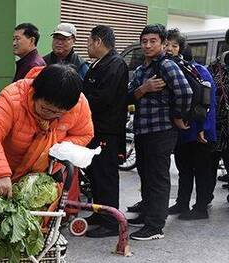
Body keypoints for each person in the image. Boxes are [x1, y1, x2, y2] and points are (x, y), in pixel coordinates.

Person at [0, 64, 94, 198]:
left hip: (44, 178)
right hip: (5, 171)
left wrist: (55, 149)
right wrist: (1, 173)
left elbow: (85, 134)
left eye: (58, 113)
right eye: (45, 109)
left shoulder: (78, 104)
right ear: (34, 93)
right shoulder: (14, 96)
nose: (50, 115)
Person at [127, 24, 192, 241]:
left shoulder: (167, 65)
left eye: (152, 41)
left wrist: (176, 116)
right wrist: (143, 89)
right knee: (146, 175)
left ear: (163, 43)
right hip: (143, 130)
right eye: (144, 41)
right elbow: (129, 96)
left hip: (162, 131)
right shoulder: (141, 70)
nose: (147, 45)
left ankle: (155, 226)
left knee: (158, 178)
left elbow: (185, 92)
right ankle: (147, 213)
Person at [165, 30, 217, 220]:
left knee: (202, 171)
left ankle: (201, 208)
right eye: (167, 44)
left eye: (174, 45)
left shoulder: (199, 70)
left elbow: (210, 102)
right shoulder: (170, 68)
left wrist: (205, 128)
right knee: (183, 169)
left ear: (181, 48)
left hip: (199, 131)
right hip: (181, 132)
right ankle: (182, 203)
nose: (169, 49)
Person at [83, 25, 129, 237]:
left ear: (98, 42)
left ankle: (111, 223)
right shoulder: (98, 64)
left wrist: (80, 102)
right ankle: (100, 212)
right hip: (95, 129)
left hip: (107, 131)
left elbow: (104, 98)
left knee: (106, 175)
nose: (88, 46)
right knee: (95, 175)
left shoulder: (115, 64)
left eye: (89, 41)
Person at [209, 29, 229, 190]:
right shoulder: (217, 65)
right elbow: (206, 88)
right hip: (217, 125)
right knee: (209, 165)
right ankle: (203, 201)